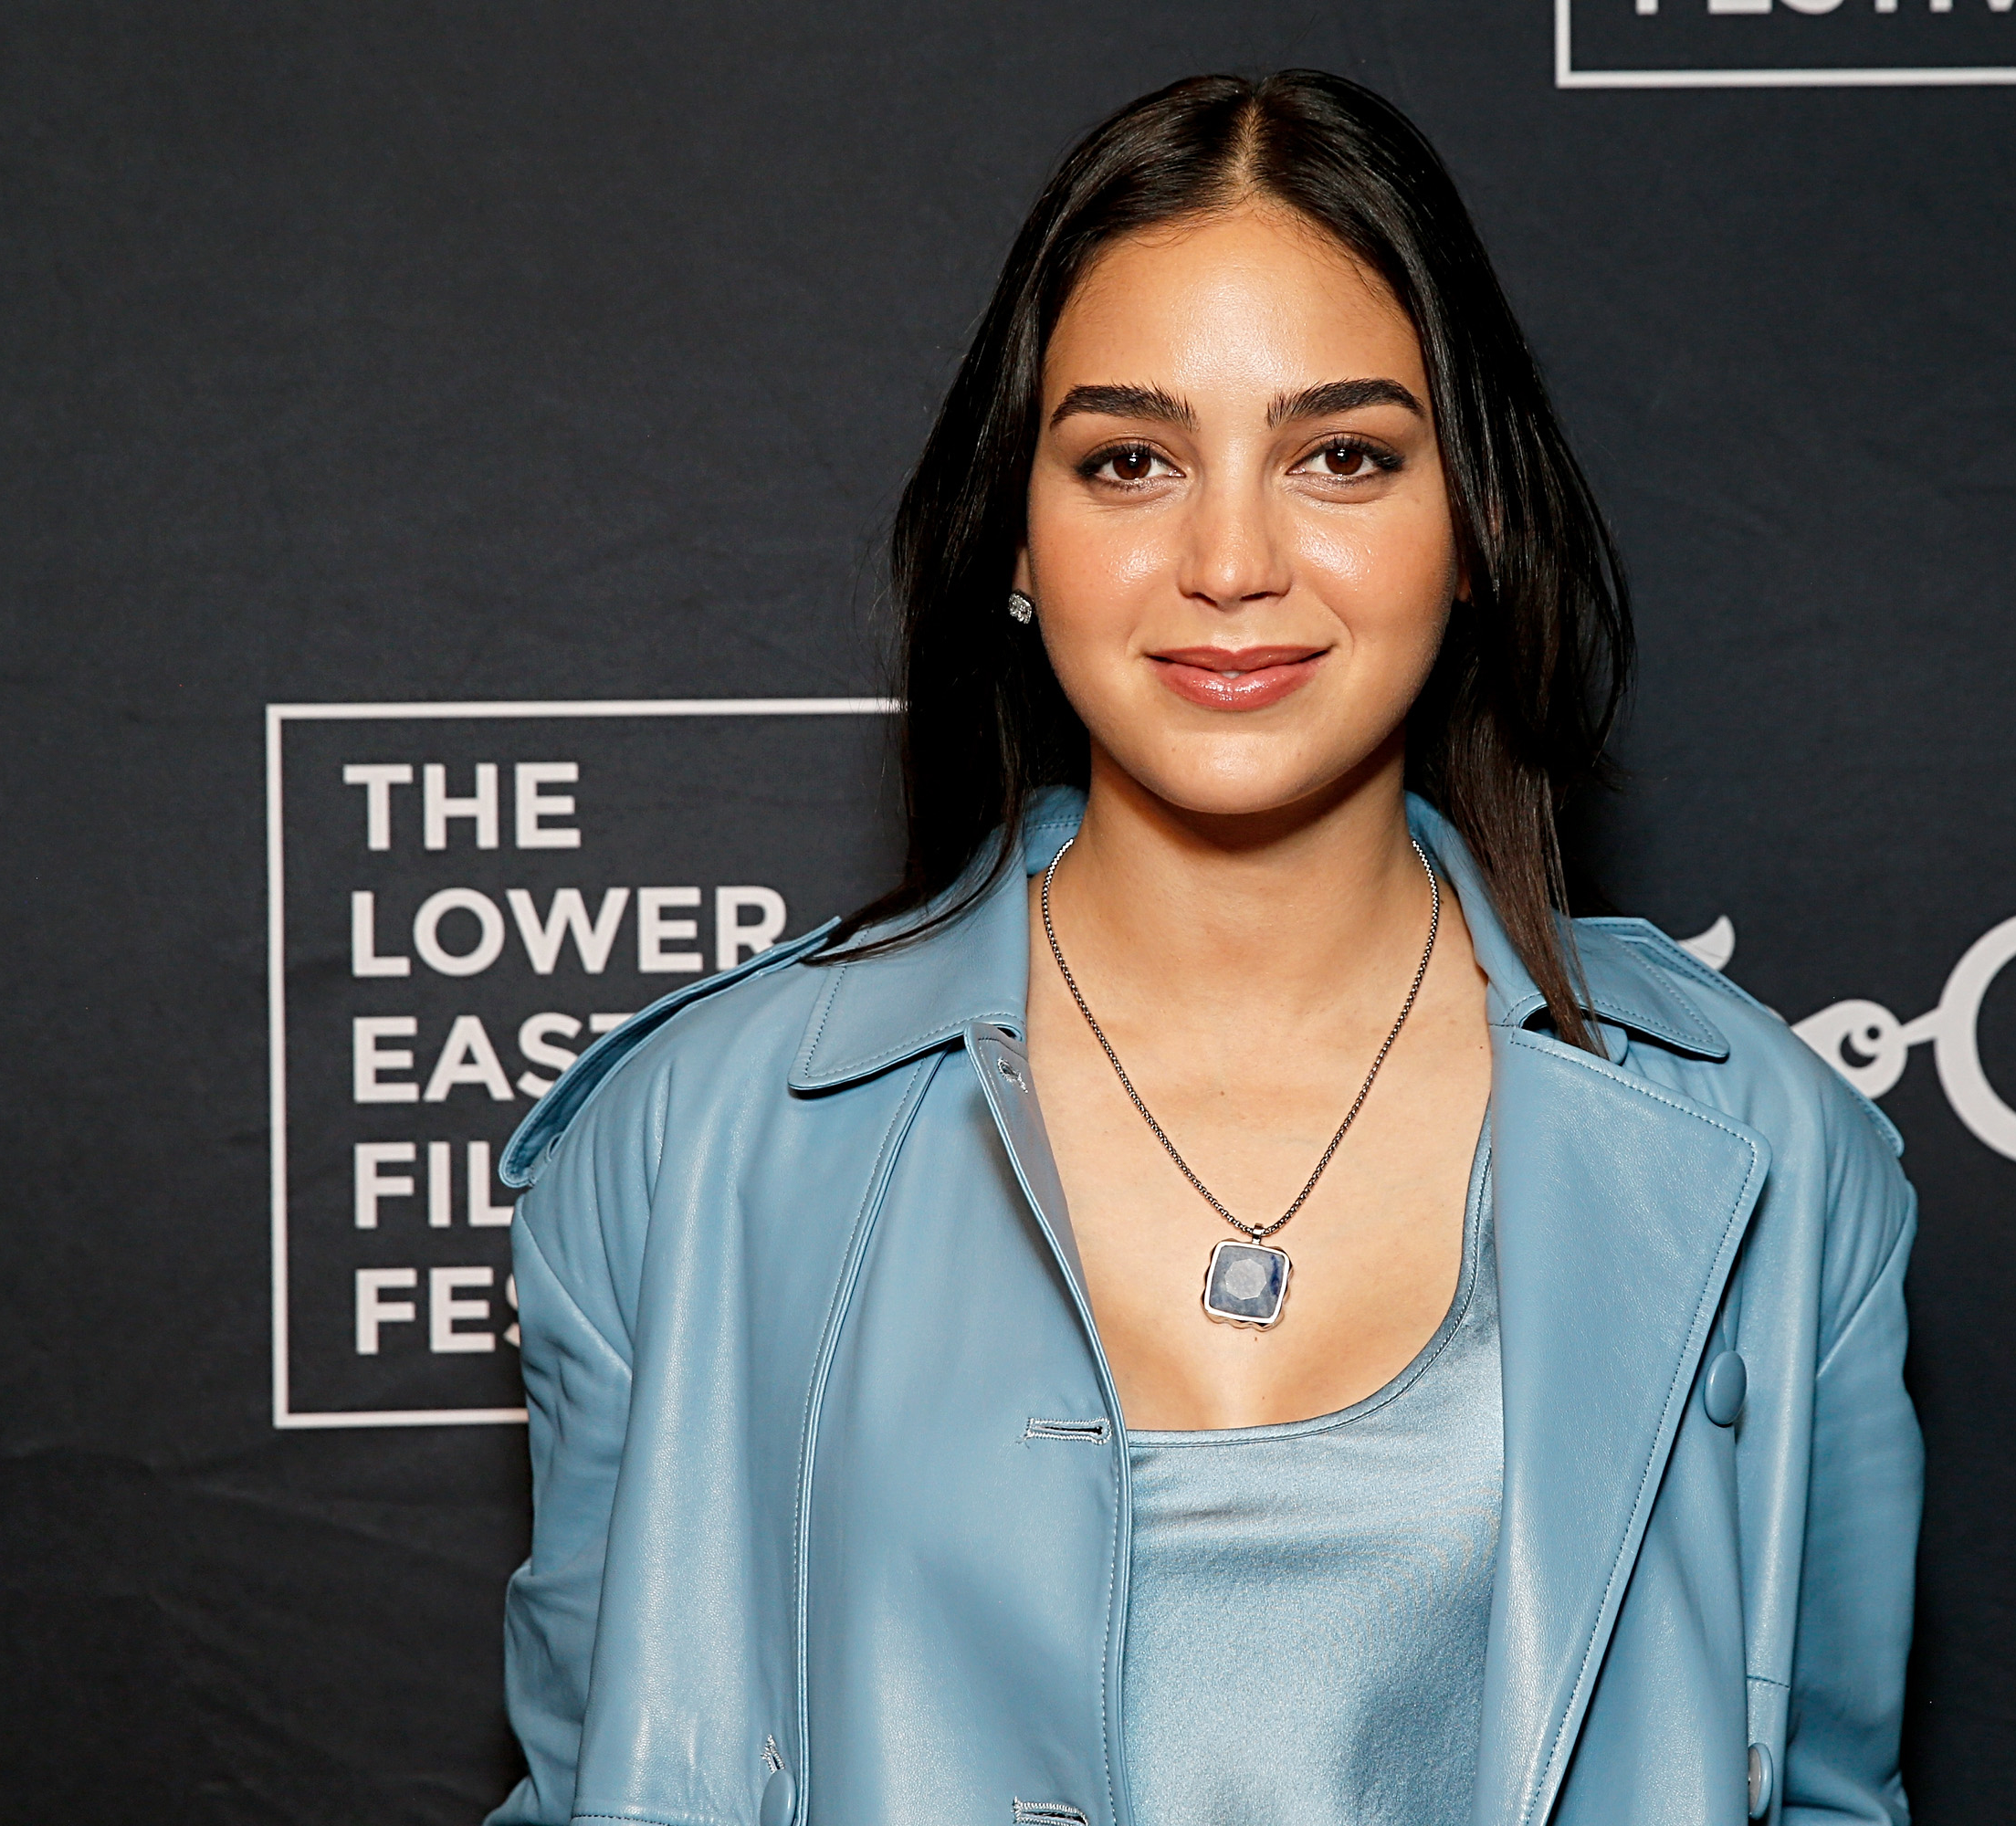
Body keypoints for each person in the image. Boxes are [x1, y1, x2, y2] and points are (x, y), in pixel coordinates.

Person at [488, 69, 1920, 1826]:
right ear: (1019, 538)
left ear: (1470, 522)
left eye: (1342, 456)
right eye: (1129, 461)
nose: (1230, 560)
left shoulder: (1771, 1157)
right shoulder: (685, 1152)